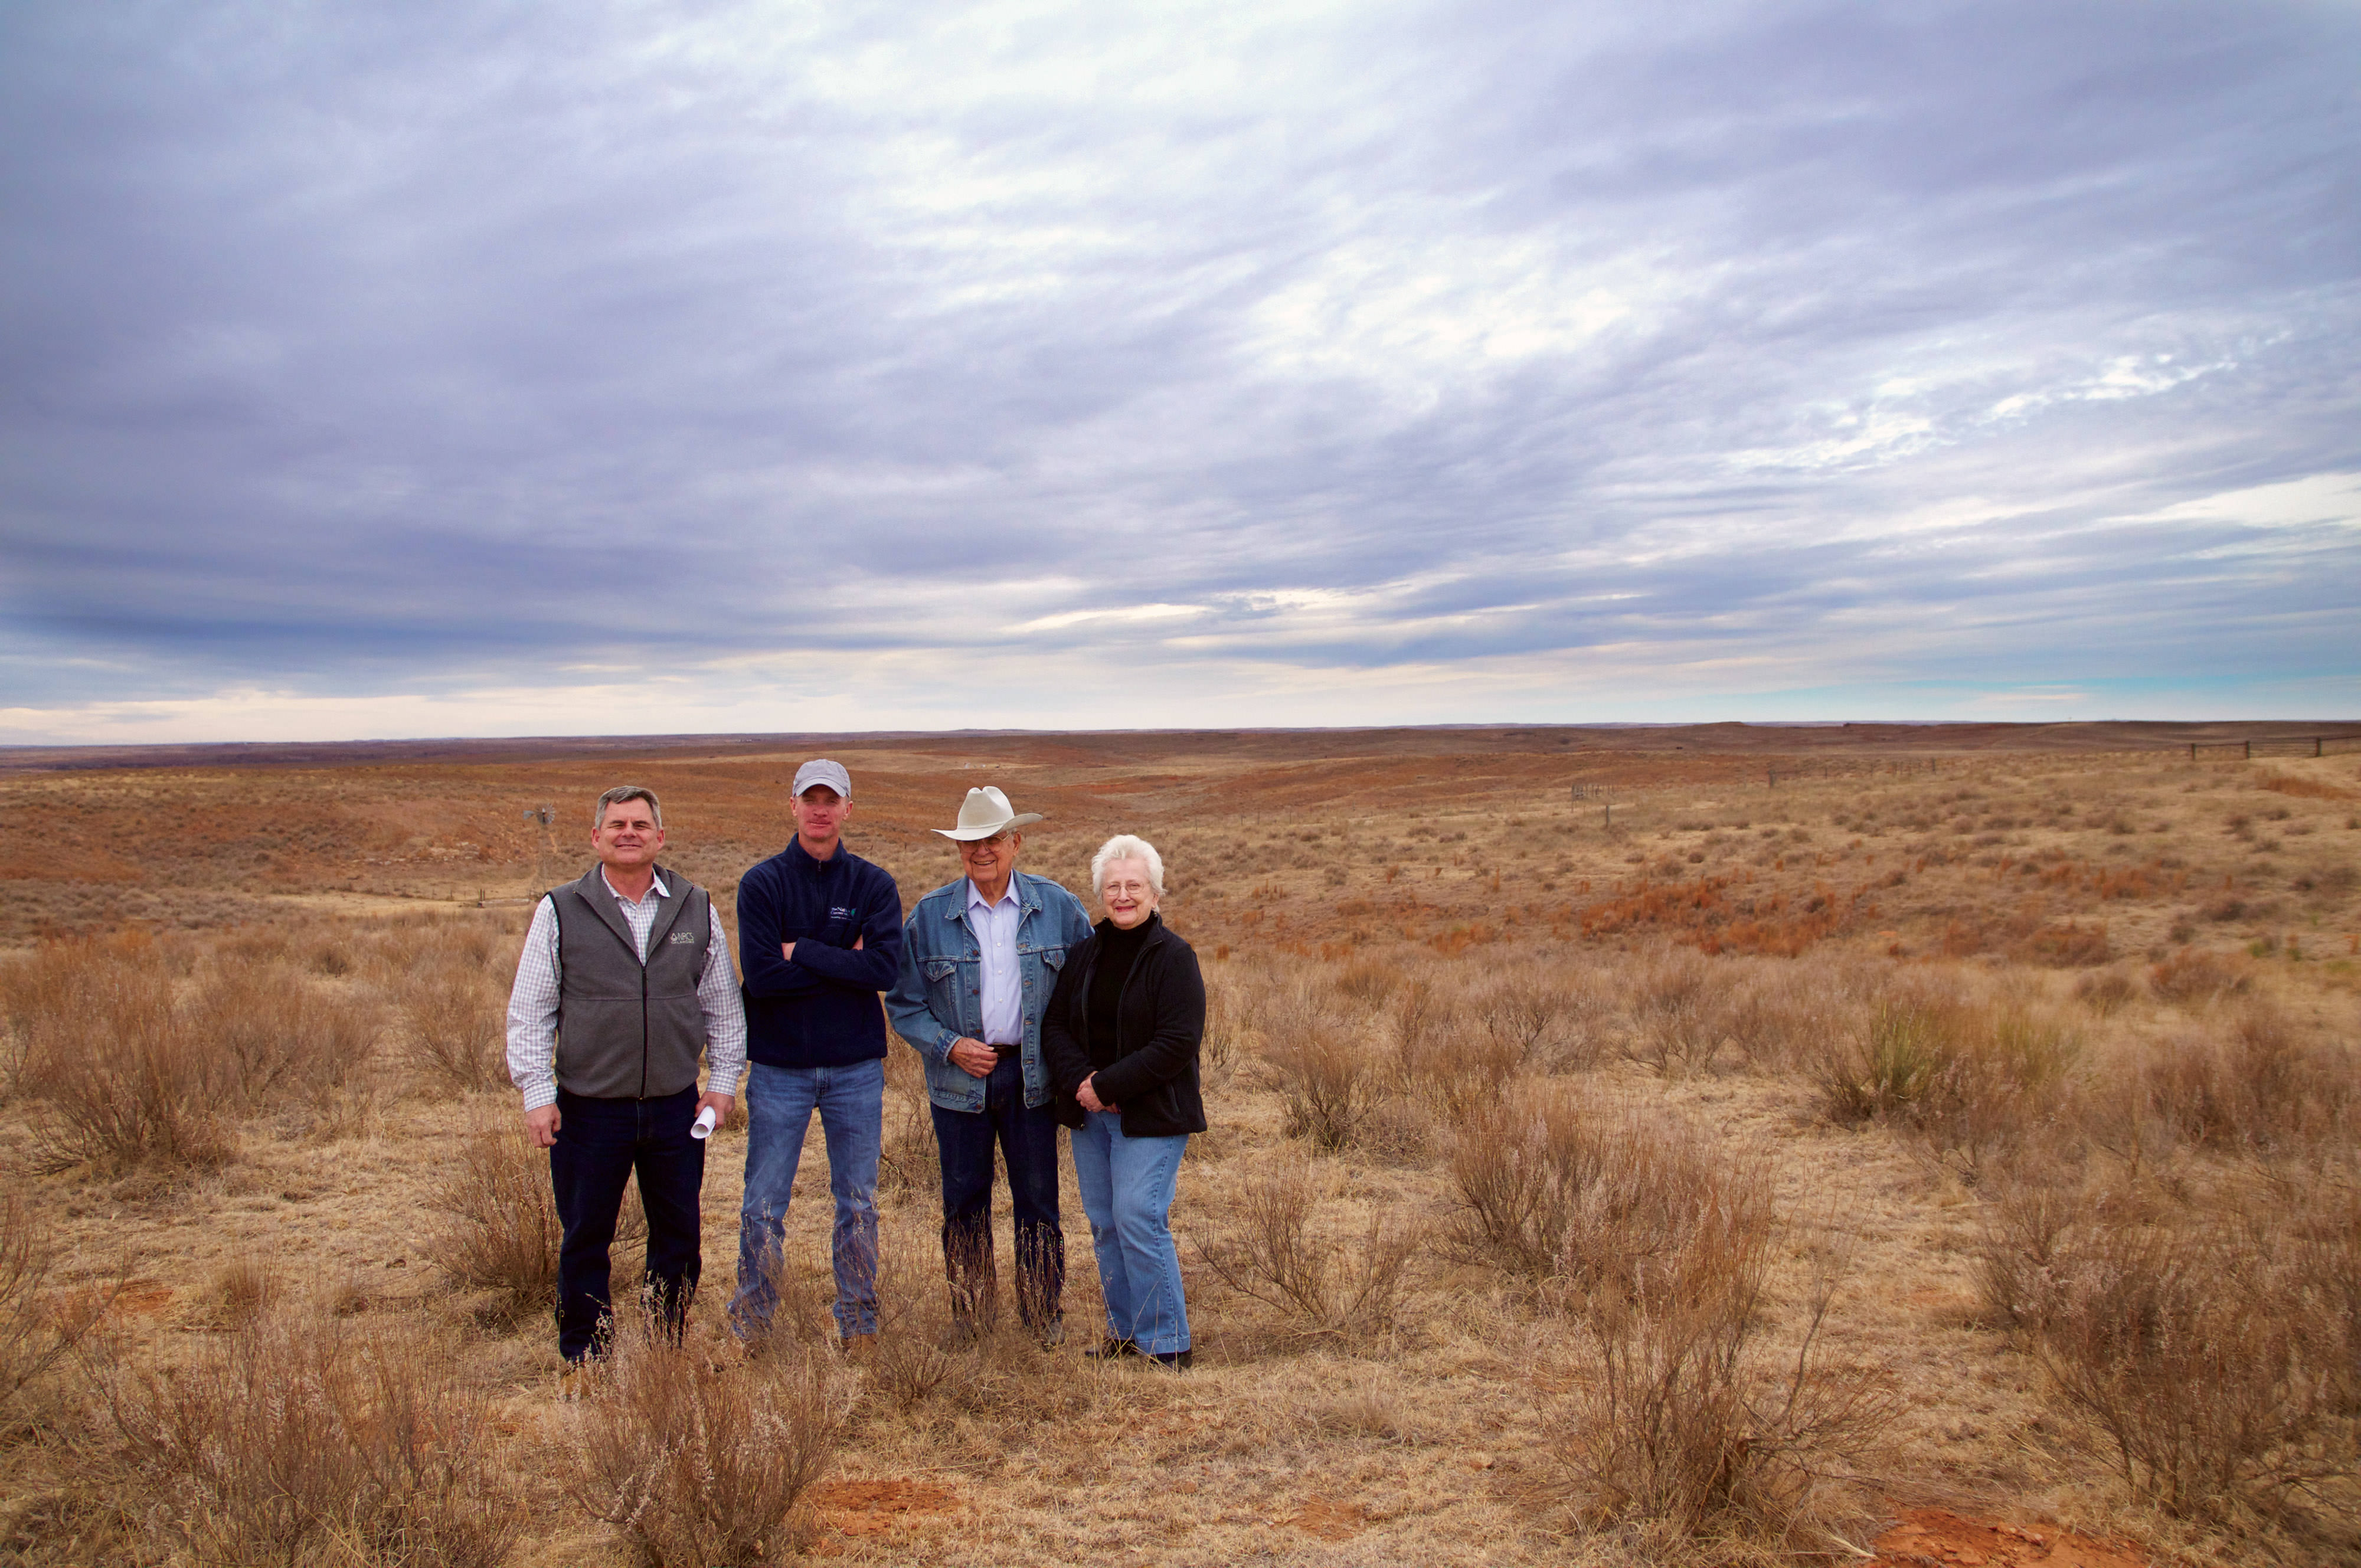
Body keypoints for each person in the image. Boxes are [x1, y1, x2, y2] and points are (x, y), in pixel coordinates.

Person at [503, 785, 745, 1377]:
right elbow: (531, 1008)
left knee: (679, 1233)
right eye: (616, 824)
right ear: (596, 837)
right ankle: (586, 1351)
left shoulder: (695, 905)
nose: (629, 832)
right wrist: (538, 1094)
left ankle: (666, 1342)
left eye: (641, 823)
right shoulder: (559, 908)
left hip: (673, 1105)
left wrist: (723, 1080)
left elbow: (720, 1001)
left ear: (660, 837)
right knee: (587, 1234)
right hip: (589, 1108)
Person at [885, 787, 1094, 1346]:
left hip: (1034, 1078)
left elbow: (1089, 990)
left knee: (1037, 1201)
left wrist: (1073, 1060)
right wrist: (949, 1045)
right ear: (959, 849)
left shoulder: (1058, 907)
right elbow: (904, 1004)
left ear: (1016, 842)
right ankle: (972, 1318)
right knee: (964, 1202)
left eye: (994, 839)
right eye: (971, 842)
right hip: (958, 1082)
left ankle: (1041, 1318)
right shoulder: (929, 917)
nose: (983, 851)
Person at [731, 760, 904, 1352]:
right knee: (763, 1204)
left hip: (855, 1067)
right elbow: (761, 977)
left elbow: (884, 968)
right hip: (779, 1068)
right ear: (793, 805)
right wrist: (841, 961)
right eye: (811, 798)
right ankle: (751, 1325)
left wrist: (801, 948)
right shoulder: (762, 883)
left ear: (848, 809)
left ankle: (858, 1323)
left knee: (857, 1201)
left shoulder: (873, 884)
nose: (821, 809)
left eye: (832, 799)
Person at [1042, 834, 1205, 1369]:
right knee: (1105, 1221)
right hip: (1092, 1116)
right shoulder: (1085, 953)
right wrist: (1085, 1083)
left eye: (1134, 885)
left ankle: (1167, 1342)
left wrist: (1108, 1085)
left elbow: (1176, 1042)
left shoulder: (1175, 957)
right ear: (1100, 894)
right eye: (1112, 886)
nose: (1123, 895)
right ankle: (1125, 1329)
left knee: (1138, 1215)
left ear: (1156, 891)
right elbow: (1056, 1026)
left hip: (1151, 1115)